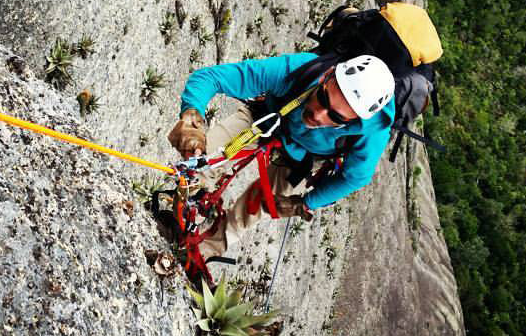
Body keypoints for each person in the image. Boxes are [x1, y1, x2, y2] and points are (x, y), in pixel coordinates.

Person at [166, 53, 395, 260]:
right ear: (327, 76)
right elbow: (211, 78)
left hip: (302, 157)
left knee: (259, 206)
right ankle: (178, 210)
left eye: (335, 116)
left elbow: (356, 177)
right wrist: (191, 118)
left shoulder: (371, 132)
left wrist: (305, 202)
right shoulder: (300, 70)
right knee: (200, 160)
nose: (318, 114)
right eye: (323, 99)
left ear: (355, 121)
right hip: (266, 118)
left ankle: (201, 252)